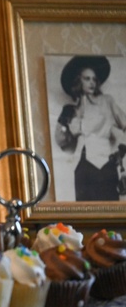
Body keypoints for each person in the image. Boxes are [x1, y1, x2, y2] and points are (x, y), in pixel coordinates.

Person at [55, 55, 126, 201]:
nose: (92, 83)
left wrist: (121, 151)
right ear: (78, 80)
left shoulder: (107, 101)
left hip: (106, 165)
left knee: (109, 214)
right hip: (82, 168)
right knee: (85, 214)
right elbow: (62, 143)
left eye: (94, 79)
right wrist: (65, 125)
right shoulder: (71, 110)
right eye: (87, 79)